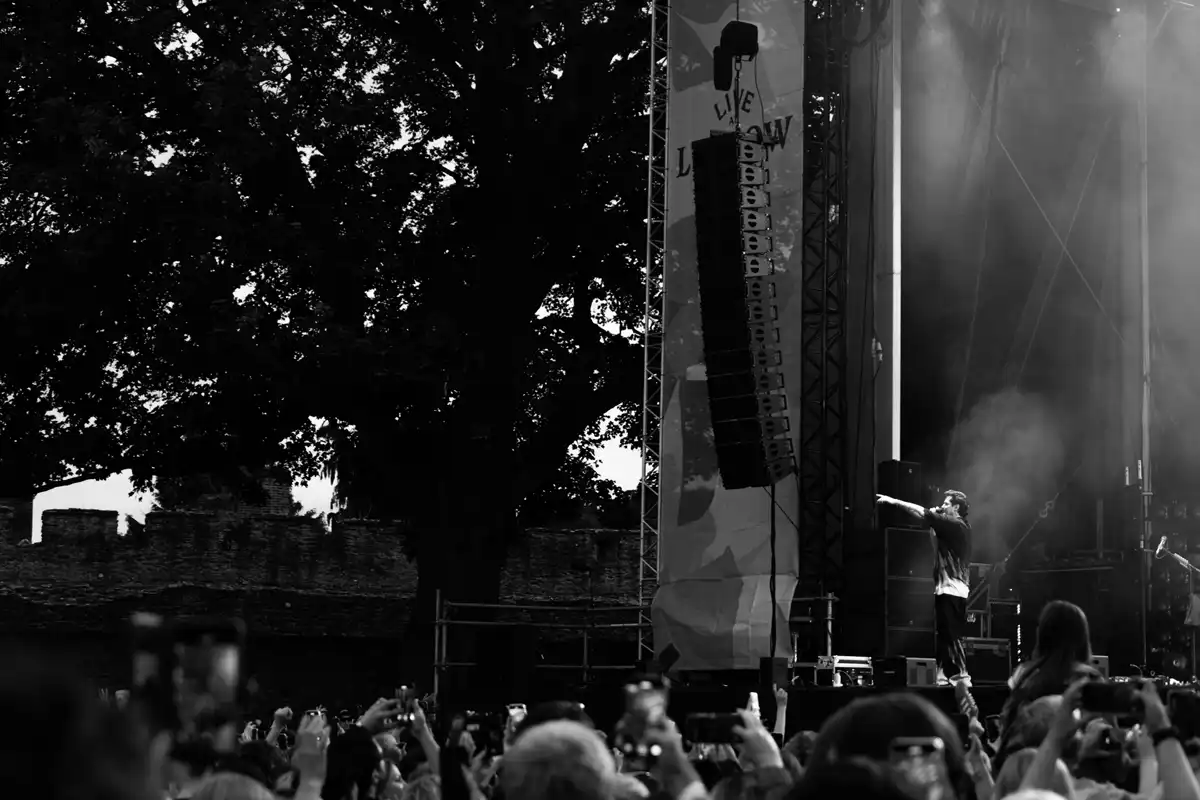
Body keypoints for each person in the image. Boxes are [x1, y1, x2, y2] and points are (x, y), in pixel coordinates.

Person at [876, 489, 972, 686]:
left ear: (956, 508)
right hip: (947, 588)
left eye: (946, 504)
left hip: (953, 588)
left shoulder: (955, 524)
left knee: (951, 635)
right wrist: (933, 517)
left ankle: (962, 675)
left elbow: (921, 512)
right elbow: (930, 526)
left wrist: (893, 501)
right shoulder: (950, 526)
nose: (943, 506)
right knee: (944, 635)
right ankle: (943, 674)